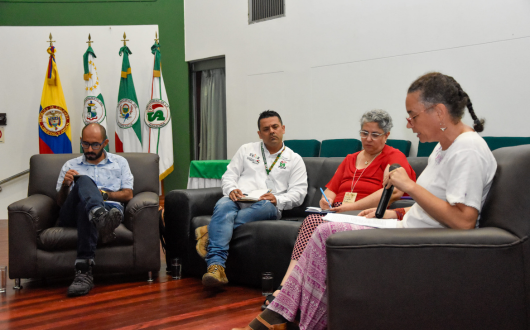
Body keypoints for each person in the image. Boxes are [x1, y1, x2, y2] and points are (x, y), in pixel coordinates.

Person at [233, 72, 497, 330]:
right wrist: (393, 214)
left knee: (326, 232)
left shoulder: (467, 150)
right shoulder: (444, 148)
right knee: (323, 228)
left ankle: (282, 316)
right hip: (410, 228)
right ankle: (286, 316)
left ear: (438, 112)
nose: (409, 124)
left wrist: (410, 187)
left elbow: (463, 221)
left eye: (413, 116)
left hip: (423, 241)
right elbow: (430, 208)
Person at [262, 109, 416, 309]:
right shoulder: (351, 158)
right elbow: (331, 190)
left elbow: (393, 192)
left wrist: (348, 207)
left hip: (364, 215)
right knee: (315, 220)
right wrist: (327, 202)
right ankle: (296, 289)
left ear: (387, 136)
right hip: (338, 213)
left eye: (375, 134)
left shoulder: (393, 157)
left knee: (312, 222)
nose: (368, 139)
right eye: (364, 133)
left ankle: (285, 288)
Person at [196, 110, 308, 288]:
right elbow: (228, 176)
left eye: (275, 127)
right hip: (238, 200)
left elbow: (299, 194)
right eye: (266, 129)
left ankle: (211, 233)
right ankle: (215, 269)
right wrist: (232, 189)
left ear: (283, 129)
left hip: (267, 205)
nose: (271, 131)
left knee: (263, 207)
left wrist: (277, 199)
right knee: (223, 204)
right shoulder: (246, 150)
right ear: (259, 133)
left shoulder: (294, 160)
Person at [56, 123, 134, 297]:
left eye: (95, 145)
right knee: (83, 180)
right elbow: (60, 202)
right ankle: (100, 219)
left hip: (109, 210)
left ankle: (83, 272)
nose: (89, 149)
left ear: (105, 142)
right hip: (72, 215)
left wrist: (102, 195)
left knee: (87, 208)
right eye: (85, 144)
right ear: (81, 142)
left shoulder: (120, 163)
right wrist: (65, 185)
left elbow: (128, 195)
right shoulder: (71, 165)